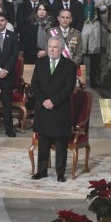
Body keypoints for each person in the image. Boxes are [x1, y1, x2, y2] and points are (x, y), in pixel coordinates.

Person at [31, 37, 77, 182]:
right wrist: (43, 100)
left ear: (61, 49)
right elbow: (34, 84)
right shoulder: (40, 62)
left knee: (60, 142)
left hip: (59, 109)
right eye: (50, 46)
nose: (51, 49)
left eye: (55, 47)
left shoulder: (69, 65)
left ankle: (60, 173)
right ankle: (42, 171)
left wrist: (53, 101)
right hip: (43, 108)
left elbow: (68, 89)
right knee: (43, 140)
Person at [74, 0, 106, 87]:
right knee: (80, 52)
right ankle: (80, 78)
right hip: (82, 23)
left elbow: (103, 6)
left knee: (94, 53)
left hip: (94, 23)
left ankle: (93, 79)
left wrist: (103, 7)